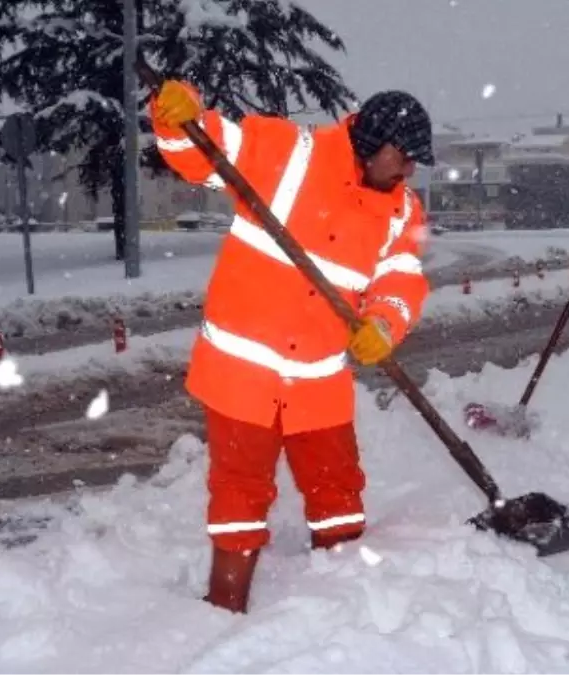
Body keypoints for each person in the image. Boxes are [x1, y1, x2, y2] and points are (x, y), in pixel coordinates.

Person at [150, 82, 434, 612]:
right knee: (239, 494)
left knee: (338, 492)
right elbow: (204, 151)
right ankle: (223, 608)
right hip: (243, 370)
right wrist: (178, 116)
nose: (410, 170)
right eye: (405, 155)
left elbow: (402, 279)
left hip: (318, 377)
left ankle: (340, 606)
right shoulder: (290, 153)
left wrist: (384, 324)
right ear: (373, 142)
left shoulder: (402, 212)